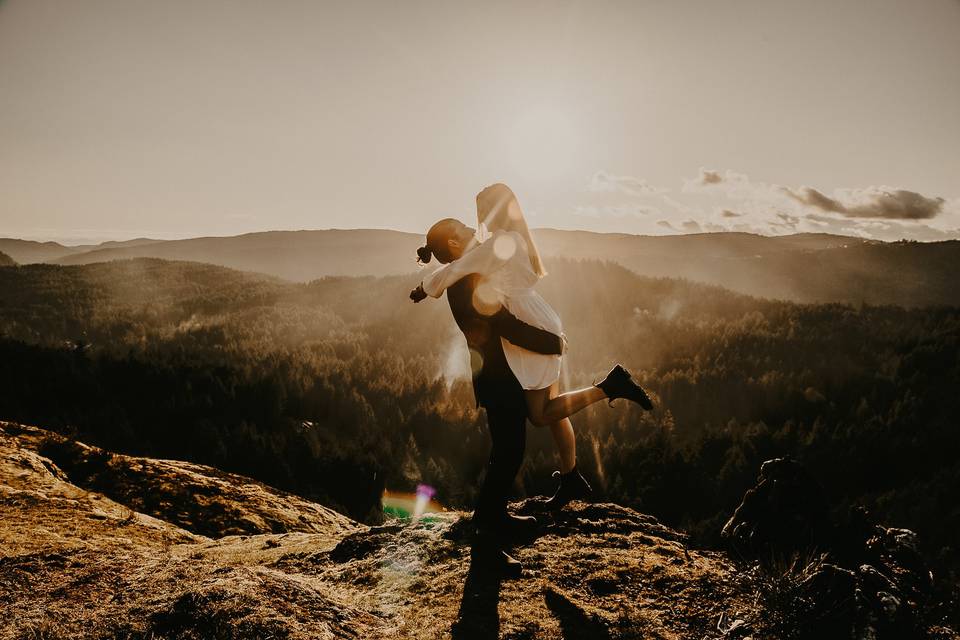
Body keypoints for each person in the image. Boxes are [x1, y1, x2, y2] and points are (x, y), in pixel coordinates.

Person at [411, 184, 654, 515]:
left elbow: (457, 270)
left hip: (529, 325)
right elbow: (461, 265)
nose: (474, 223)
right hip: (539, 315)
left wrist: (425, 287)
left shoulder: (495, 245)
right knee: (550, 409)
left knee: (540, 414)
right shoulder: (511, 239)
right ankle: (570, 477)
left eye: (479, 213)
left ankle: (609, 387)